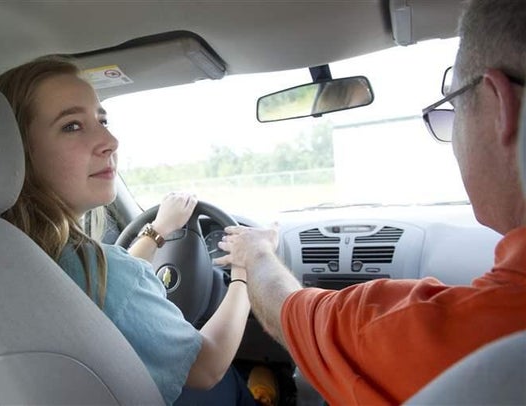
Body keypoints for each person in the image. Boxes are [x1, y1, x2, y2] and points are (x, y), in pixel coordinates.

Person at [215, 0, 526, 404]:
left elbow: (287, 310)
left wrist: (254, 255)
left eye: (453, 107)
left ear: (499, 106)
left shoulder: (450, 337)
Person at [0, 57, 254, 405]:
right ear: (19, 154)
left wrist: (157, 232)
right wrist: (247, 270)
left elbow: (107, 292)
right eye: (72, 126)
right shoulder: (100, 273)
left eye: (102, 119)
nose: (110, 140)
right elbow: (207, 367)